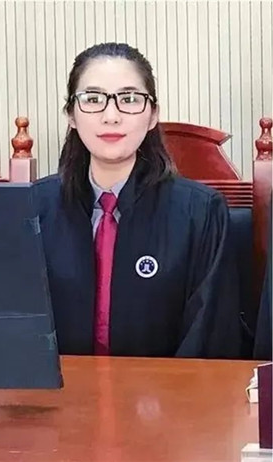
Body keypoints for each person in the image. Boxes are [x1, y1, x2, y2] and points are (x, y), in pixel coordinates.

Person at [33, 42, 241, 358]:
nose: (111, 116)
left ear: (153, 114)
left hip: (168, 389)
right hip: (60, 388)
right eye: (93, 99)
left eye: (129, 99)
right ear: (71, 115)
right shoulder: (34, 209)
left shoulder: (201, 213)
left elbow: (210, 341)